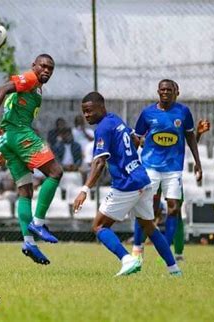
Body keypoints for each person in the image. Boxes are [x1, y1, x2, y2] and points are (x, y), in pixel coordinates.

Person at [73, 92, 181, 276]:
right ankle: (174, 269)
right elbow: (136, 139)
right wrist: (127, 156)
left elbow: (99, 163)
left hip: (126, 184)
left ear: (101, 107)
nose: (87, 115)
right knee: (149, 226)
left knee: (99, 226)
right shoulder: (115, 119)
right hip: (142, 178)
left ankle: (127, 259)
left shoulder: (102, 129)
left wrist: (84, 189)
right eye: (84, 112)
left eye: (90, 111)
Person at [0, 54, 63, 265]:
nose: (46, 71)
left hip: (8, 139)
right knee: (56, 172)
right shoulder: (30, 78)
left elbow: (11, 113)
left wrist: (6, 150)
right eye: (43, 66)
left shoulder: (34, 89)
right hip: (19, 134)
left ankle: (29, 243)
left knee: (25, 190)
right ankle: (38, 223)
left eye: (51, 68)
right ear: (34, 66)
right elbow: (1, 90)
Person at [132, 80, 210, 261]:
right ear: (158, 91)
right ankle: (138, 249)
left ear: (177, 92)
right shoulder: (147, 113)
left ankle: (166, 251)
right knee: (146, 208)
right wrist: (128, 162)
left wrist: (198, 162)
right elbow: (136, 138)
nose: (166, 92)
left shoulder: (183, 112)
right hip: (150, 167)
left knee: (174, 208)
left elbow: (190, 137)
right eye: (163, 89)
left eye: (170, 90)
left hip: (173, 169)